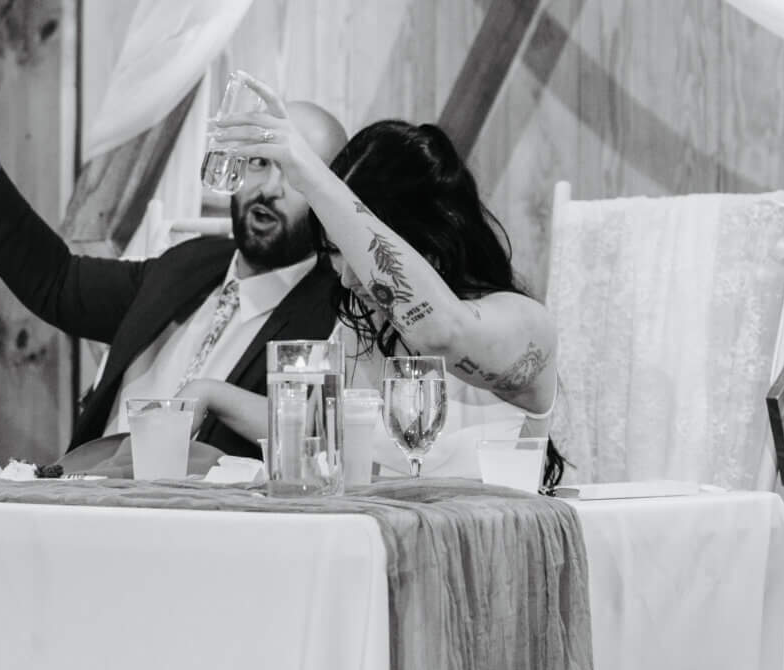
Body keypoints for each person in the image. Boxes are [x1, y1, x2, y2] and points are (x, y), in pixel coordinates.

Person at [0, 76, 349, 460]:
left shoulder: (333, 317)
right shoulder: (188, 264)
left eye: (296, 174)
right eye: (259, 161)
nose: (269, 188)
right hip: (86, 496)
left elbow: (328, 439)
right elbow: (58, 281)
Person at [207, 81, 561, 477]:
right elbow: (319, 437)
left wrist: (309, 174)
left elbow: (439, 333)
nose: (346, 279)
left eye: (358, 256)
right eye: (335, 251)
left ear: (428, 239)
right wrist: (211, 394)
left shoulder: (525, 325)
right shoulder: (359, 326)